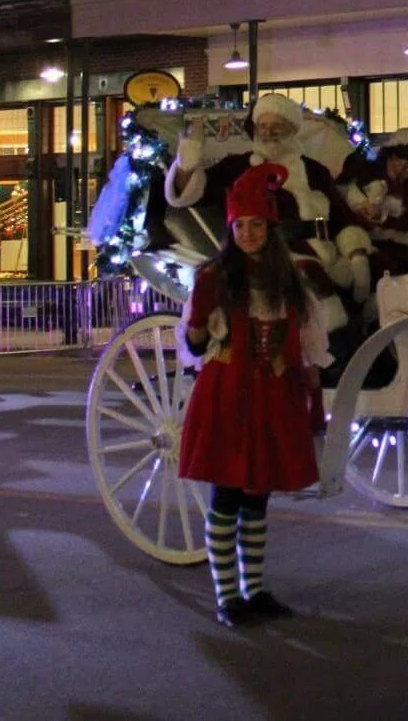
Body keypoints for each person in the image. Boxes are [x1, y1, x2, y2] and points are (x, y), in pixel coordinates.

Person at [177, 162, 332, 628]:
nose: (247, 233)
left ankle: (255, 588)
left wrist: (307, 376)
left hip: (271, 397)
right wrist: (199, 324)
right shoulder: (215, 278)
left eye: (256, 225)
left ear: (270, 228)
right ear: (230, 228)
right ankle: (228, 597)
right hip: (228, 396)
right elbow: (197, 347)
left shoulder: (289, 282)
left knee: (258, 497)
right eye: (240, 225)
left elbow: (307, 337)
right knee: (226, 495)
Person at [165, 94, 374, 318]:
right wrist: (186, 166)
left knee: (378, 270)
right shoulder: (239, 166)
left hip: (325, 251)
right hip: (269, 256)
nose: (268, 132)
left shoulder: (314, 170)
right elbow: (193, 194)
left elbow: (342, 218)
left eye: (277, 126)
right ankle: (332, 342)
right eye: (262, 125)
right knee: (314, 283)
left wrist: (357, 254)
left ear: (293, 129)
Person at [339, 128, 408, 284]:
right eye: (399, 159)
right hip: (371, 250)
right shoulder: (364, 179)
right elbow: (353, 213)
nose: (402, 168)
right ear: (390, 154)